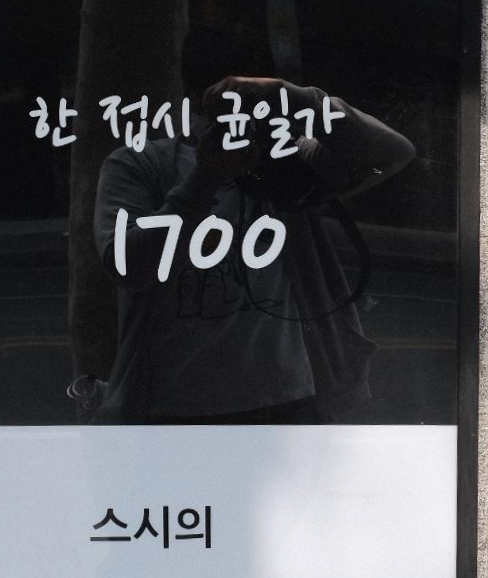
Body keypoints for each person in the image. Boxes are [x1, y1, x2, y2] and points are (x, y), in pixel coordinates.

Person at [93, 28, 414, 422]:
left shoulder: (286, 161)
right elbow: (127, 265)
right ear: (194, 96)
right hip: (173, 407)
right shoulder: (140, 165)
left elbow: (394, 151)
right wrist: (204, 178)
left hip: (290, 400)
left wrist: (292, 96)